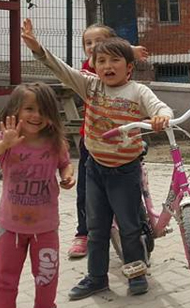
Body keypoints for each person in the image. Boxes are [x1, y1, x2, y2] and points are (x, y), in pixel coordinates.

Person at [21, 18, 172, 300]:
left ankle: (136, 274)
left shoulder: (138, 91)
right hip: (95, 169)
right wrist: (37, 48)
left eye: (115, 60)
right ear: (94, 65)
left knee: (129, 227)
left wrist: (161, 117)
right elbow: (61, 70)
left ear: (129, 67)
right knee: (96, 227)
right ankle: (96, 278)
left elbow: (160, 107)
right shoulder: (90, 86)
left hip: (125, 171)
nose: (107, 66)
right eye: (101, 61)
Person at [0, 83, 75, 308]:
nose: (36, 115)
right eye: (29, 109)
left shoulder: (55, 142)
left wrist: (67, 176)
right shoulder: (6, 139)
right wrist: (4, 144)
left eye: (43, 110)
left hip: (45, 227)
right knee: (5, 278)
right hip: (10, 227)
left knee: (46, 278)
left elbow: (65, 164)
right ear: (15, 110)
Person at [68, 24, 148, 259]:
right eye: (88, 43)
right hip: (93, 143)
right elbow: (92, 66)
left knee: (131, 190)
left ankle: (138, 226)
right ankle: (83, 233)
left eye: (100, 42)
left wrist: (124, 53)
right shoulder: (89, 70)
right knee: (85, 192)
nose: (93, 47)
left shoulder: (121, 71)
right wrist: (128, 50)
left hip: (124, 142)